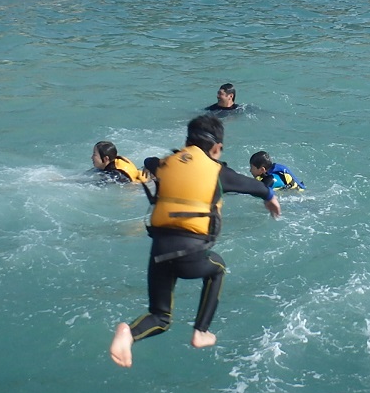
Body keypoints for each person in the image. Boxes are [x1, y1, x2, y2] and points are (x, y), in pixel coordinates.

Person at [109, 115, 281, 362]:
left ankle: (128, 335)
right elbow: (254, 186)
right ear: (216, 148)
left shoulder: (166, 163)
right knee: (218, 268)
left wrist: (154, 165)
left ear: (188, 140)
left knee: (160, 317)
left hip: (159, 251)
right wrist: (270, 198)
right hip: (189, 252)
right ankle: (201, 331)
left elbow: (150, 161)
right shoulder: (218, 172)